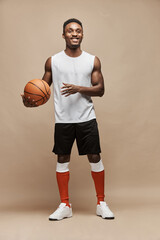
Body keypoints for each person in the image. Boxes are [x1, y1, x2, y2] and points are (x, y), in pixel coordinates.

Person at [21, 18, 115, 221]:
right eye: (70, 31)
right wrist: (31, 101)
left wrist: (78, 88)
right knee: (62, 159)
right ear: (63, 35)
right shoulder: (53, 61)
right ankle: (65, 205)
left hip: (86, 118)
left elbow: (101, 90)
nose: (74, 34)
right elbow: (43, 92)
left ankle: (101, 203)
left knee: (95, 157)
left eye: (78, 31)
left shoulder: (92, 60)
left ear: (82, 34)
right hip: (63, 120)